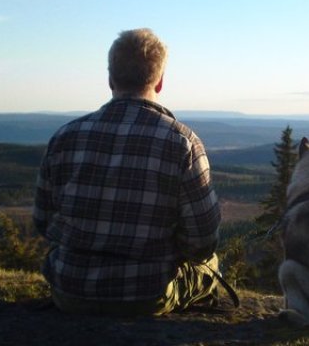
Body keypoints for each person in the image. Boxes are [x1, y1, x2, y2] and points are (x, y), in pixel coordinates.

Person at [34, 28, 226, 315]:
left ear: (110, 79)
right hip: (146, 295)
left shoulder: (65, 136)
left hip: (70, 289)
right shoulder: (183, 143)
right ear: (160, 82)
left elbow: (43, 221)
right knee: (210, 264)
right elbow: (202, 242)